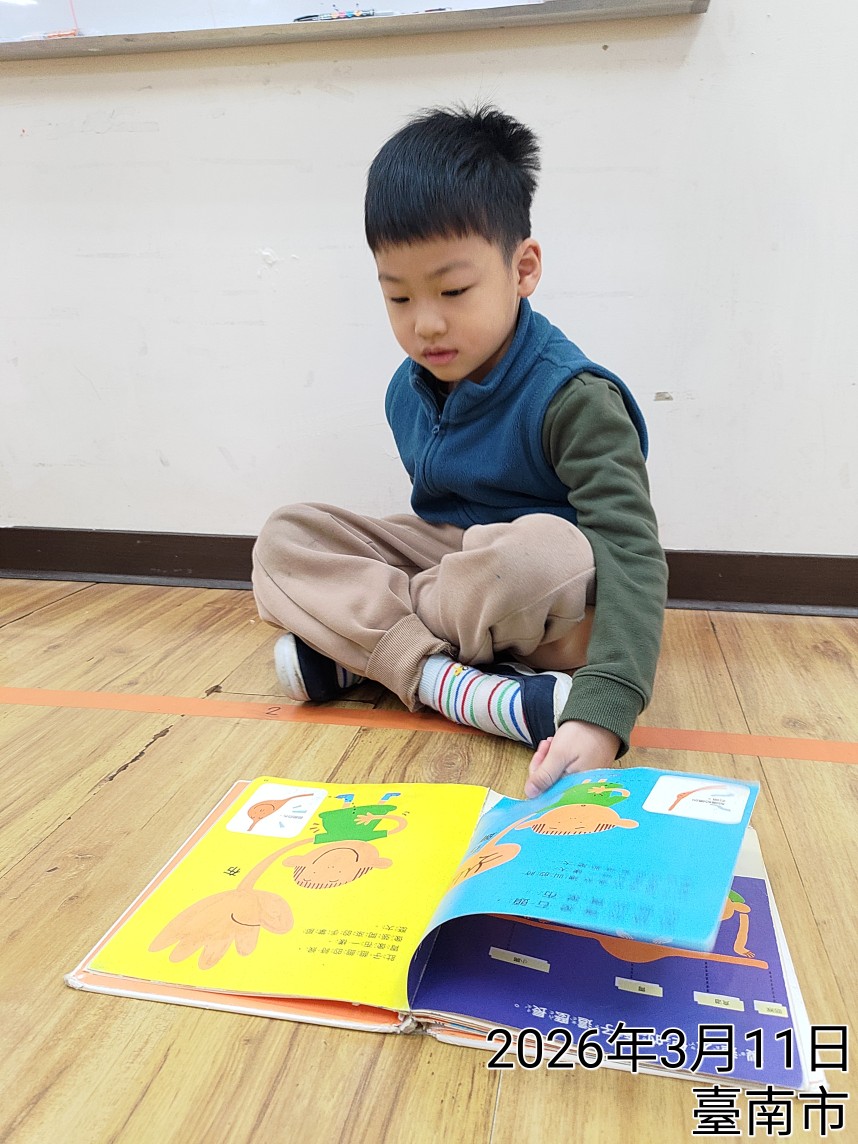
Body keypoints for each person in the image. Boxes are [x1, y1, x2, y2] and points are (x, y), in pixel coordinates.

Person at [252, 104, 668, 798]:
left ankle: (362, 647)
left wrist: (605, 710)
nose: (426, 323)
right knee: (284, 539)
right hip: (455, 569)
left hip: (544, 583)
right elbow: (438, 539)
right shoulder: (406, 390)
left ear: (523, 268)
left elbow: (629, 550)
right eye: (398, 297)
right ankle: (445, 679)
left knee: (544, 556)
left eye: (453, 290)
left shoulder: (576, 399)